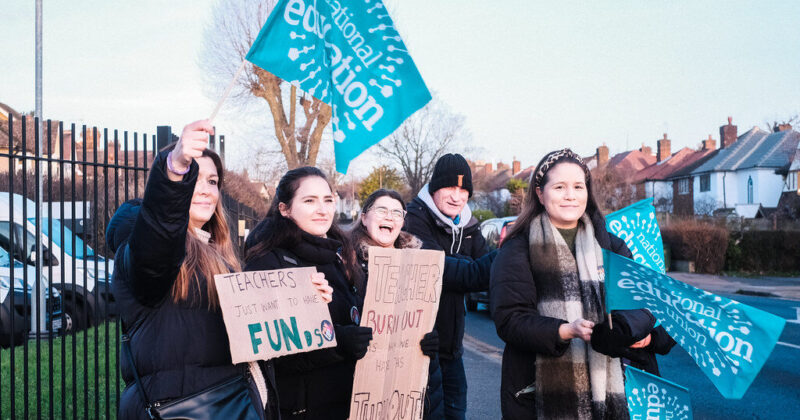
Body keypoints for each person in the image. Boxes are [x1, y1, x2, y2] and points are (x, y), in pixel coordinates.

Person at [110, 120, 331, 419]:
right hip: (191, 408)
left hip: (235, 402)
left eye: (212, 181)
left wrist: (307, 301)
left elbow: (255, 331)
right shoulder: (144, 243)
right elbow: (158, 243)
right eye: (194, 178)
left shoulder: (220, 253)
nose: (205, 191)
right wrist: (175, 168)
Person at [490, 148, 672, 419]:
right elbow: (511, 320)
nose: (570, 195)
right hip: (539, 392)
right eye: (560, 187)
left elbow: (641, 302)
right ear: (540, 193)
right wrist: (566, 330)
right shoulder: (517, 249)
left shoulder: (612, 246)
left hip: (613, 387)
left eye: (578, 186)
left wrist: (629, 331)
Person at [350, 189, 497, 419]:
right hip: (362, 390)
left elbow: (471, 273)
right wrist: (348, 339)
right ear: (364, 217)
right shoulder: (345, 264)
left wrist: (430, 346)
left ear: (402, 222)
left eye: (397, 213)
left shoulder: (422, 261)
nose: (389, 217)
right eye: (382, 210)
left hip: (418, 388)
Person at [243, 166, 371, 420]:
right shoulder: (267, 262)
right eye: (309, 201)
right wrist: (336, 341)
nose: (322, 209)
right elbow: (265, 350)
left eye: (327, 200)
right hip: (300, 409)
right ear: (285, 209)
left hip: (349, 403)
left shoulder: (341, 256)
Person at [403, 154, 491, 420]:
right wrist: (463, 266)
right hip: (418, 349)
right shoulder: (414, 218)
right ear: (434, 188)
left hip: (453, 349)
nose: (457, 196)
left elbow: (480, 277)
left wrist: (458, 266)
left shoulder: (469, 226)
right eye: (449, 188)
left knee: (456, 413)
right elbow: (435, 268)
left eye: (463, 190)